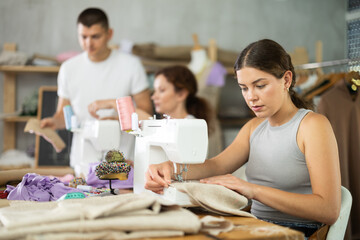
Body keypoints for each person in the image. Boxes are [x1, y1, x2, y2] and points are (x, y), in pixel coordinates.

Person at [144, 39, 341, 238]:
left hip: (296, 233)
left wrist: (252, 190)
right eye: (244, 88)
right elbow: (216, 165)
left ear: (286, 80)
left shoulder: (312, 126)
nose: (251, 97)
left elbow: (328, 210)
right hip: (254, 226)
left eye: (260, 85)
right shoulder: (254, 127)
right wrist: (172, 168)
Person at [40, 8, 152, 177]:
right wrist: (53, 123)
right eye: (83, 37)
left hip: (124, 161)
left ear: (109, 34)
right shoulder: (68, 69)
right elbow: (64, 116)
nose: (88, 43)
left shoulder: (131, 66)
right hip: (83, 162)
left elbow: (146, 113)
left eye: (95, 36)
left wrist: (116, 118)